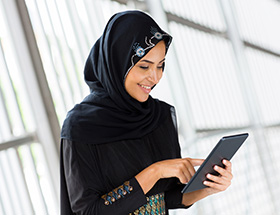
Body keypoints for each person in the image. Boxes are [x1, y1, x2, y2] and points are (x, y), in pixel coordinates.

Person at [60, 10, 233, 215]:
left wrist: (207, 187)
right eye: (144, 66)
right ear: (117, 62)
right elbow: (89, 211)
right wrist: (156, 171)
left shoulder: (158, 116)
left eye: (160, 66)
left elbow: (165, 196)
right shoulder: (81, 126)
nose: (155, 77)